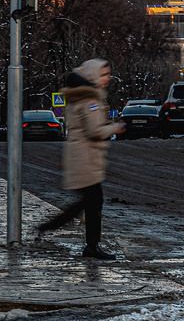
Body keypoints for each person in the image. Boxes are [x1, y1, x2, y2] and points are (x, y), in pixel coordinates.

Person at [36, 59, 125, 259]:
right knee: (93, 203)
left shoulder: (82, 97)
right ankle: (90, 246)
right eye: (103, 75)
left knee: (88, 202)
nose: (107, 79)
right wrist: (115, 127)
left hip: (81, 156)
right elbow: (94, 131)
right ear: (93, 76)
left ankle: (51, 228)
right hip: (85, 157)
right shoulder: (90, 100)